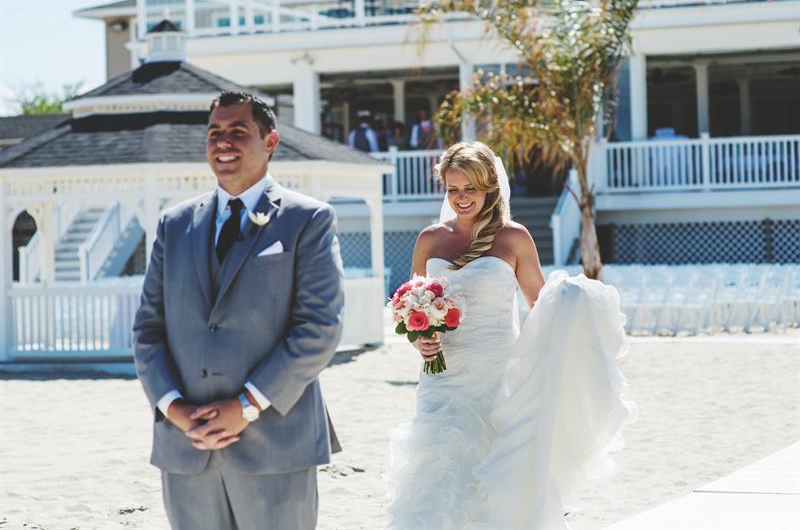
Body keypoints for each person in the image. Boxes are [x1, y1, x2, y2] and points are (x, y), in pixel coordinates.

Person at [385, 141, 636, 529]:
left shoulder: (513, 238)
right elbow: (412, 306)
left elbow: (541, 304)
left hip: (498, 375)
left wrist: (574, 302)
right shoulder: (429, 240)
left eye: (470, 188)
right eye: (453, 190)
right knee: (437, 463)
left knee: (493, 468)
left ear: (489, 186)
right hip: (442, 376)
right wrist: (420, 339)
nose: (461, 198)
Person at [133, 90, 344, 530]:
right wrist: (174, 409)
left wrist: (246, 405)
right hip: (186, 448)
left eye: (237, 131)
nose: (223, 142)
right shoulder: (174, 224)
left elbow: (320, 328)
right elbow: (148, 331)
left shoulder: (308, 220)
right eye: (214, 133)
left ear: (270, 142)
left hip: (275, 444)